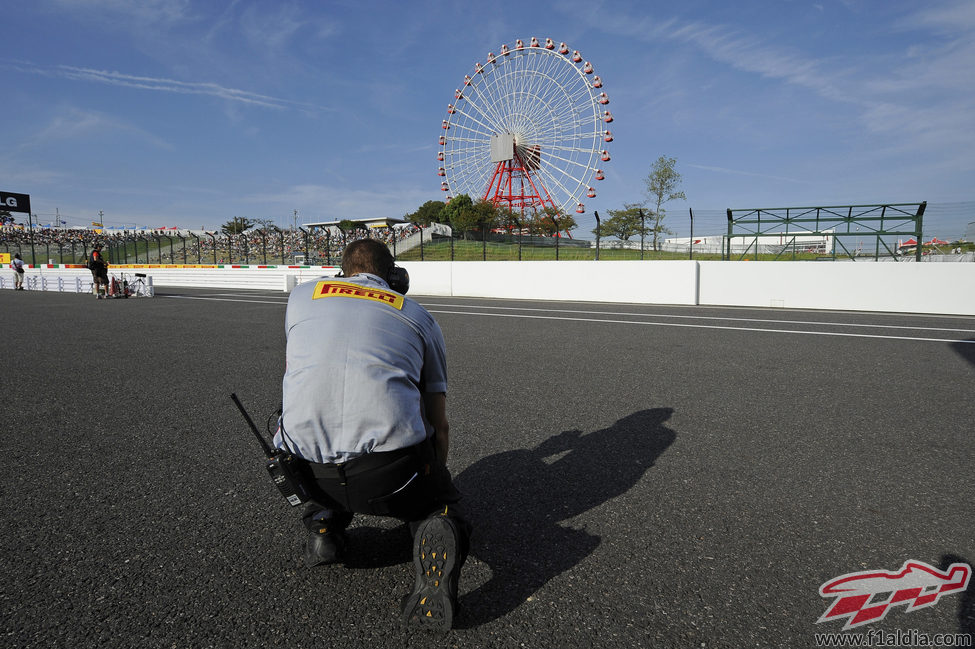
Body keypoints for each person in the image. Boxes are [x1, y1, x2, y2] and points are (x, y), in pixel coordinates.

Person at [274, 238, 471, 631]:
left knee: (309, 417)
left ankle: (323, 523)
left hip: (308, 471)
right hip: (388, 475)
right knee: (437, 498)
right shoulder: (420, 317)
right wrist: (434, 474)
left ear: (340, 271)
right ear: (395, 276)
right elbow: (440, 423)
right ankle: (430, 522)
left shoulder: (301, 297)